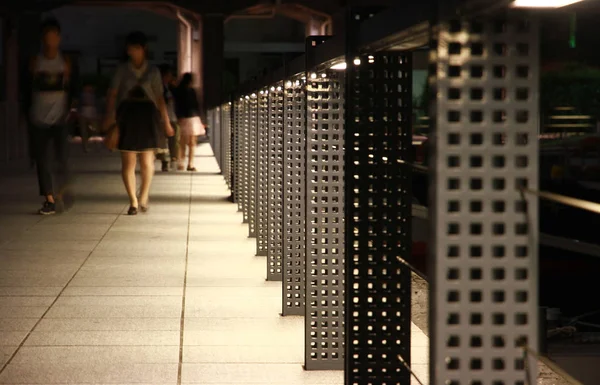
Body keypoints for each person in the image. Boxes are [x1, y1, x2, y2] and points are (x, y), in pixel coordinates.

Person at [103, 31, 174, 215]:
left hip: (148, 114)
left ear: (143, 49)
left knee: (146, 159)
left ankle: (143, 194)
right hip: (127, 114)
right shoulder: (122, 69)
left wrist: (166, 122)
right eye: (130, 49)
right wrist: (110, 116)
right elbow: (112, 93)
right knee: (128, 161)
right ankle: (133, 201)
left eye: (136, 48)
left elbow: (159, 98)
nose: (132, 52)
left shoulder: (153, 71)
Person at [28, 17, 74, 215]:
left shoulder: (65, 62)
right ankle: (49, 198)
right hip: (38, 117)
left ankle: (62, 192)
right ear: (42, 39)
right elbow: (26, 87)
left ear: (59, 38)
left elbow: (72, 87)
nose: (51, 41)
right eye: (47, 37)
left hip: (60, 118)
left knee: (61, 158)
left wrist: (70, 109)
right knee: (42, 159)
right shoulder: (34, 61)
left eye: (54, 36)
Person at [174, 72, 204, 171]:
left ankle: (181, 162)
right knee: (192, 142)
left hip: (183, 117)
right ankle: (190, 164)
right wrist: (201, 118)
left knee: (182, 141)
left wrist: (178, 116)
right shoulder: (191, 91)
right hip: (193, 117)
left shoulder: (178, 90)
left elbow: (177, 105)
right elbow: (196, 105)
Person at [157, 64, 179, 172]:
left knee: (174, 140)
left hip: (172, 116)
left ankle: (172, 160)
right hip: (162, 118)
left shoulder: (170, 88)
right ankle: (165, 162)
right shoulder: (159, 88)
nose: (171, 77)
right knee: (163, 141)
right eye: (169, 75)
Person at [78, 83, 98, 152]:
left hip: (91, 114)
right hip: (83, 114)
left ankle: (87, 139)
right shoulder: (81, 95)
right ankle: (85, 146)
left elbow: (95, 104)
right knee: (83, 131)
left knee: (93, 129)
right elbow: (78, 104)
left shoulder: (93, 96)